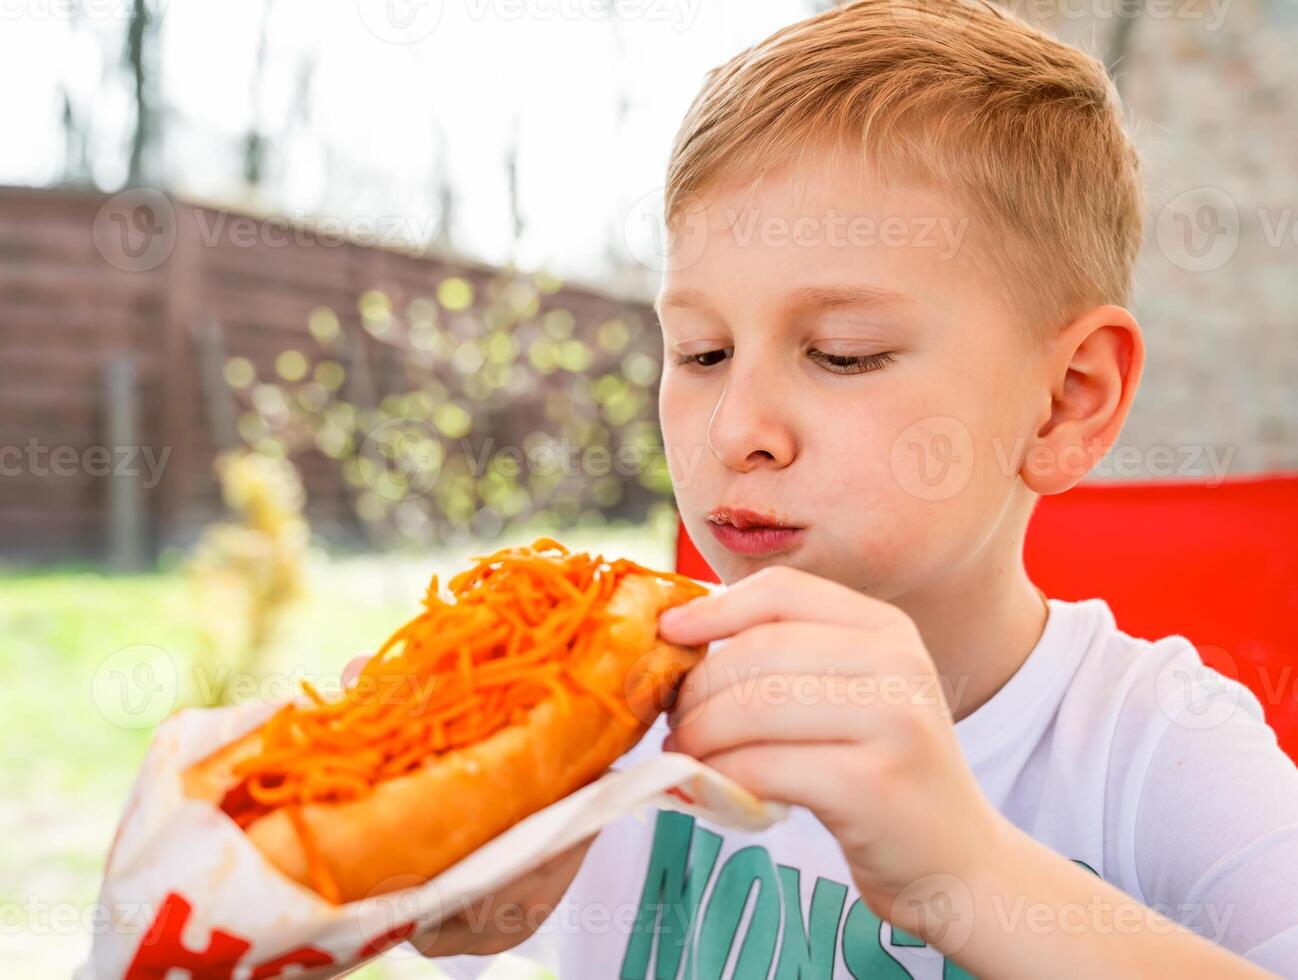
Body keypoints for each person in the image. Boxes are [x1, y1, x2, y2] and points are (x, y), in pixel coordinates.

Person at [410, 0, 1298, 974]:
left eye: (841, 354)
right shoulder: (597, 706)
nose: (735, 427)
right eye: (700, 351)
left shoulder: (1158, 749)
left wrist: (965, 868)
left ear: (1063, 403)